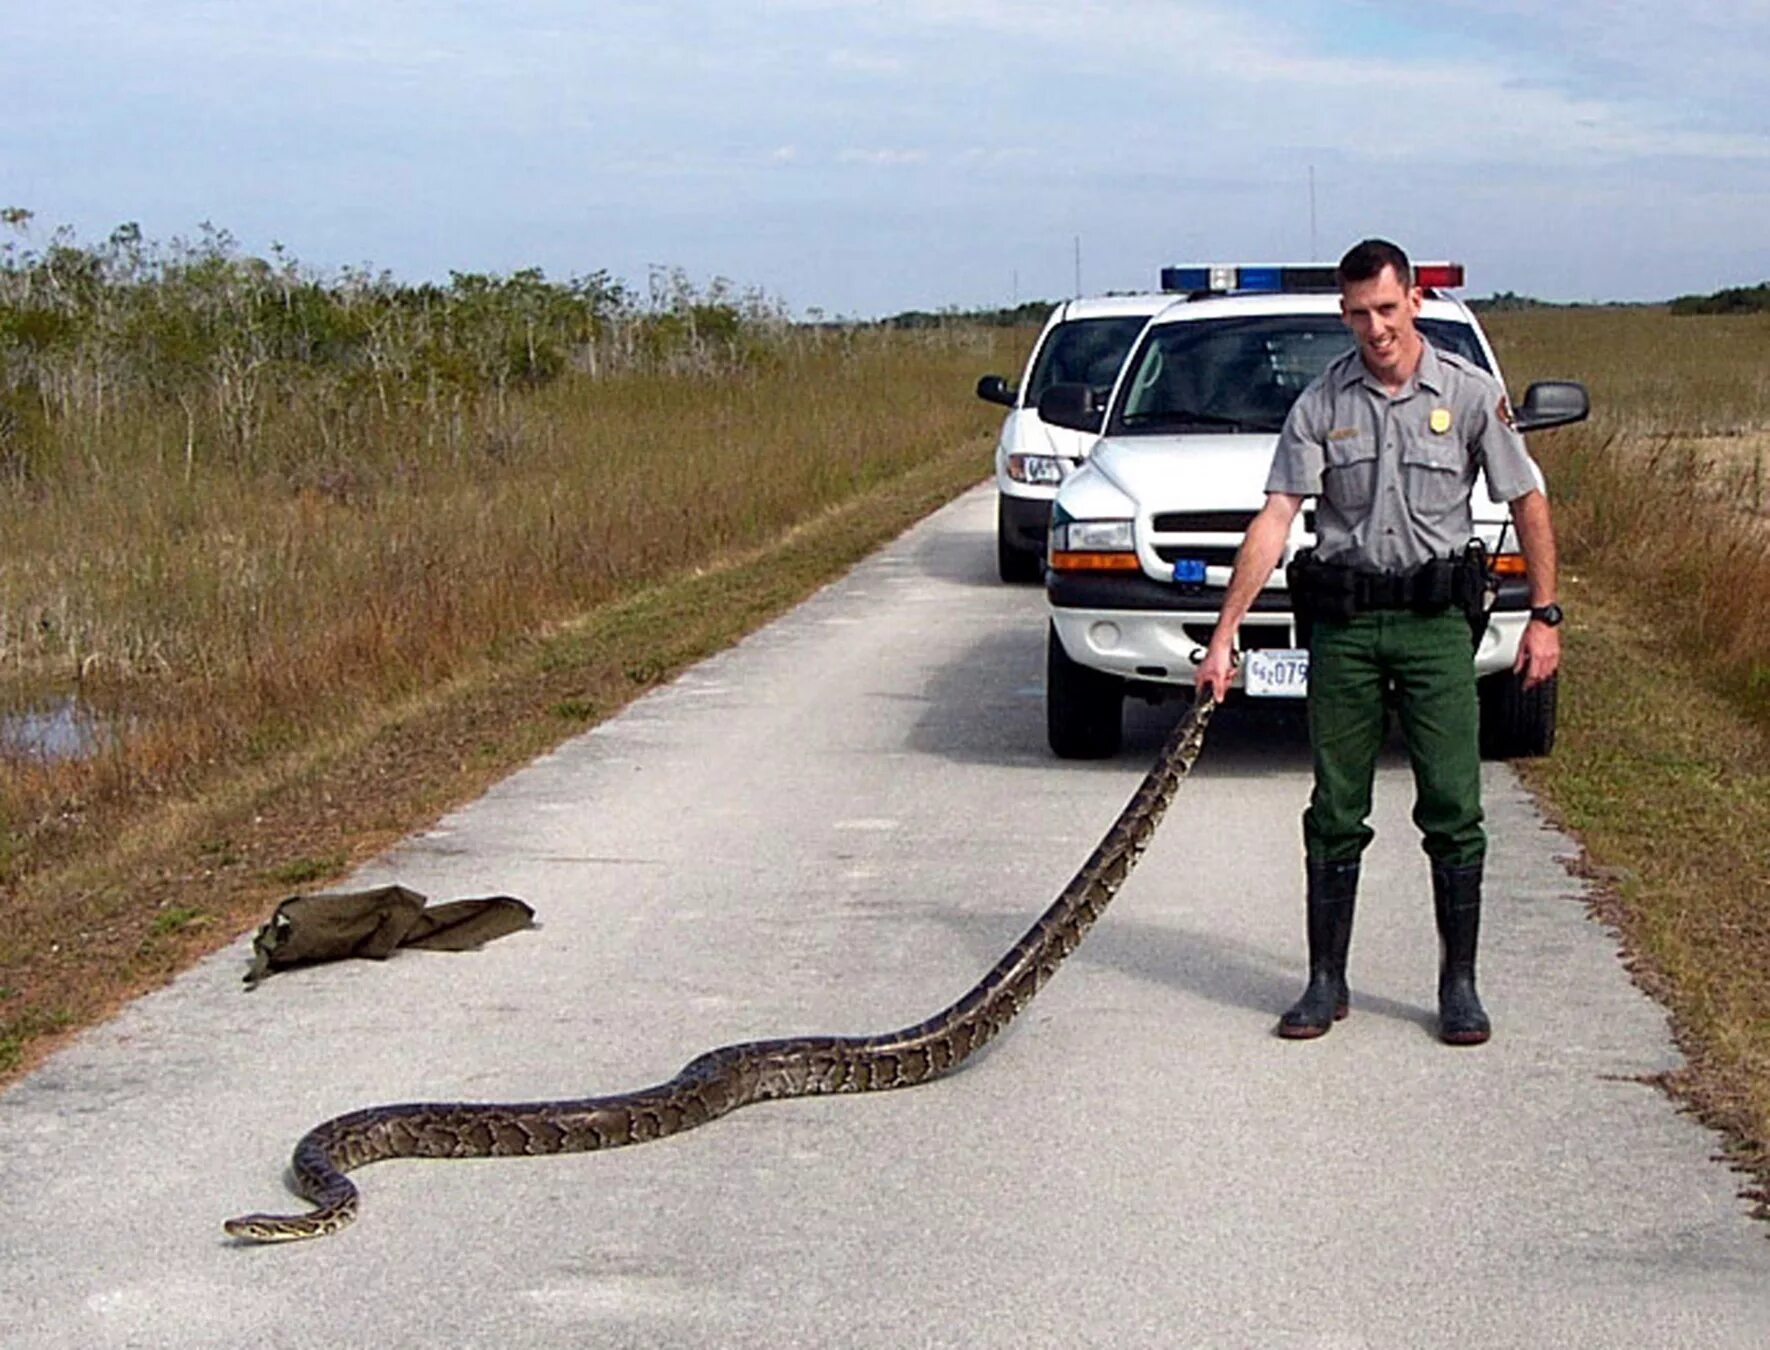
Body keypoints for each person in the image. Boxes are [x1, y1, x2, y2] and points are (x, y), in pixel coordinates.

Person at [1195, 239, 1562, 1046]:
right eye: (1359, 314)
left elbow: (1527, 499)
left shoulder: (1469, 396)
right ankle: (1326, 981)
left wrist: (1545, 614)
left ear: (1415, 303)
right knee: (1334, 809)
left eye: (1388, 310)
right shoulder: (1322, 404)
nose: (1376, 328)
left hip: (1435, 628)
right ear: (1344, 314)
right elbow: (1275, 518)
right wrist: (1224, 638)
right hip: (1348, 628)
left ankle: (1458, 986)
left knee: (1454, 809)